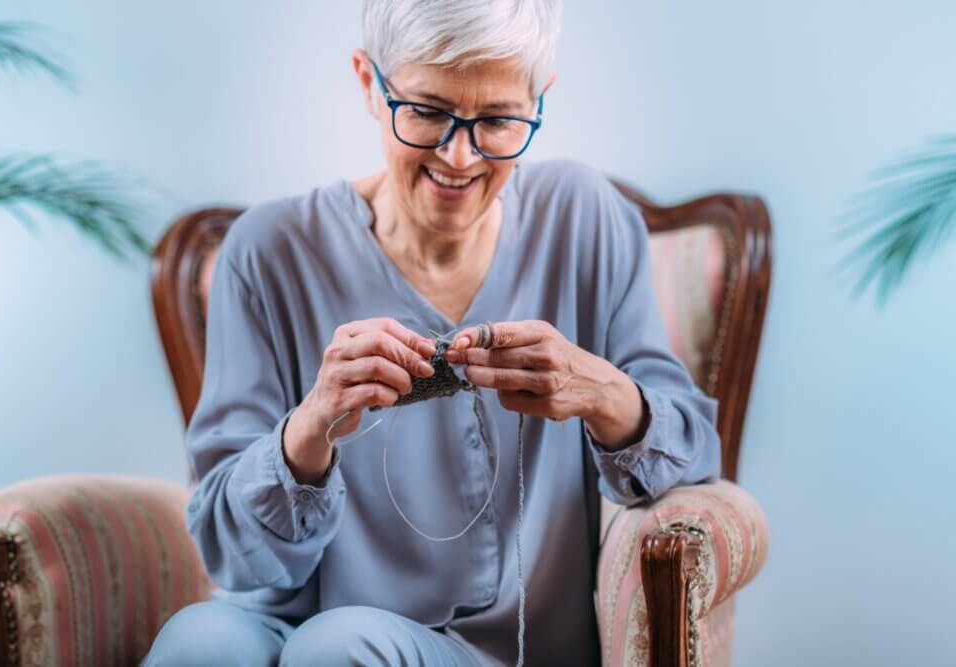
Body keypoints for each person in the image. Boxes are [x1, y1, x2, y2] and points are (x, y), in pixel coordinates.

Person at [142, 1, 720, 665]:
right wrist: (311, 427)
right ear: (369, 83)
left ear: (539, 98)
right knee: (200, 641)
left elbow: (697, 450)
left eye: (499, 120)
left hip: (503, 649)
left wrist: (603, 392)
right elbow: (225, 548)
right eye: (426, 111)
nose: (458, 156)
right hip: (287, 624)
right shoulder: (266, 252)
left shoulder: (586, 219)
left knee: (338, 650)